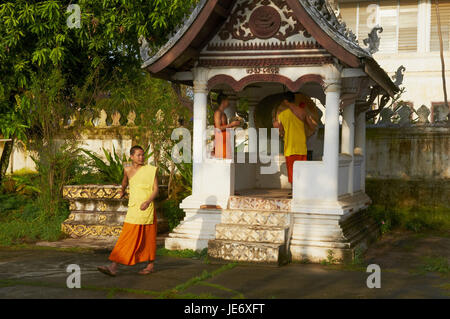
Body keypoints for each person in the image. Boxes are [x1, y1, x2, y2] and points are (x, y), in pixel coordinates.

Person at [97, 145, 159, 276]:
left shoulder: (151, 170)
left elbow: (156, 190)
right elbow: (124, 182)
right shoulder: (127, 170)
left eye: (143, 155)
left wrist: (148, 202)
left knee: (149, 237)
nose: (141, 157)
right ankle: (114, 266)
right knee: (127, 236)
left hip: (147, 208)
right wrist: (122, 190)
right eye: (138, 155)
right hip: (134, 207)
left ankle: (150, 265)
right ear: (131, 156)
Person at [273, 92, 318, 187]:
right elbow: (312, 127)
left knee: (291, 170)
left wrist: (279, 128)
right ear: (294, 99)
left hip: (289, 147)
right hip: (301, 146)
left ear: (285, 101)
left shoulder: (282, 115)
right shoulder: (302, 112)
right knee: (302, 170)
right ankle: (301, 190)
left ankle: (294, 191)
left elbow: (280, 130)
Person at [214, 94, 241, 159]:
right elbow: (218, 128)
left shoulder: (224, 114)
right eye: (227, 100)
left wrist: (234, 125)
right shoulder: (218, 113)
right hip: (220, 142)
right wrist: (231, 124)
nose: (228, 102)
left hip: (226, 141)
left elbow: (225, 127)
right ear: (223, 101)